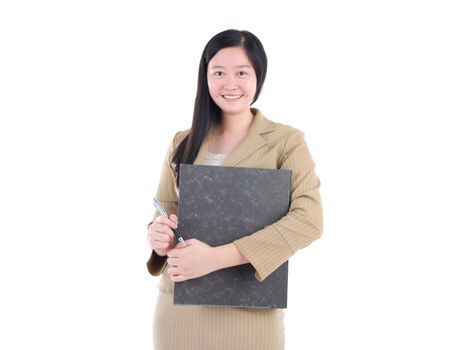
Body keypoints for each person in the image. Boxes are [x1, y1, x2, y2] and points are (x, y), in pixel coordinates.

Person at [146, 29, 323, 350]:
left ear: (259, 76)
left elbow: (308, 220)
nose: (230, 83)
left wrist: (215, 258)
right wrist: (159, 237)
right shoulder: (182, 141)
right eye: (218, 72)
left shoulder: (286, 142)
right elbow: (166, 210)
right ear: (205, 78)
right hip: (180, 309)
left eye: (242, 72)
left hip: (249, 308)